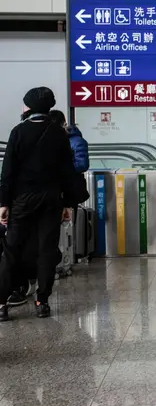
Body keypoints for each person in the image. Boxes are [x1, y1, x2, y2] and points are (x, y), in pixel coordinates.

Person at [0, 87, 77, 321]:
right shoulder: (58, 134)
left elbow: (8, 171)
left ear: (30, 107)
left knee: (11, 250)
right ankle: (42, 302)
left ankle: (1, 304)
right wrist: (68, 203)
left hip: (22, 199)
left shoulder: (19, 132)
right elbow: (67, 172)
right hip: (51, 199)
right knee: (46, 250)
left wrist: (3, 203)